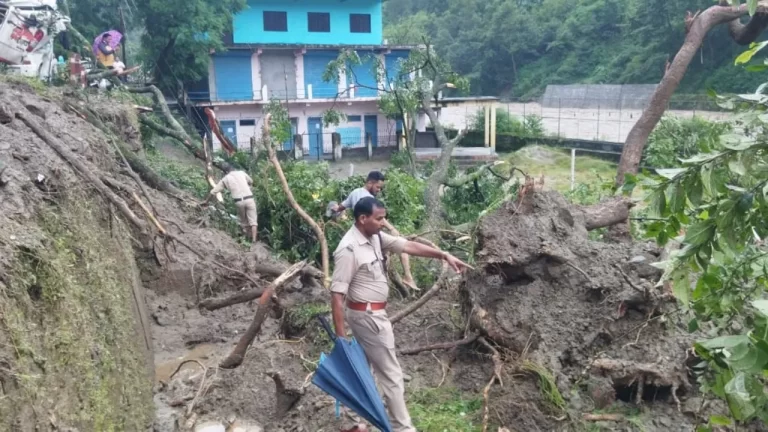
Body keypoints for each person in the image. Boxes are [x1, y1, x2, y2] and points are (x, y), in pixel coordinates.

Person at [330, 197, 472, 432]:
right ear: (362, 218)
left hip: (371, 315)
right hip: (368, 318)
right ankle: (402, 428)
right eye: (379, 218)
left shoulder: (374, 237)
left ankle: (355, 423)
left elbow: (407, 246)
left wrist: (444, 254)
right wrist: (341, 338)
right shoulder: (349, 249)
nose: (383, 223)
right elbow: (336, 295)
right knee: (392, 374)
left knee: (362, 369)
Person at [332, 171, 418, 290]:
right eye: (377, 187)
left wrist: (333, 208)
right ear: (369, 183)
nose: (379, 190)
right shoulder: (369, 199)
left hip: (358, 231)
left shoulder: (355, 192)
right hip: (370, 232)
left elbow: (340, 207)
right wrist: (392, 229)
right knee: (402, 246)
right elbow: (378, 218)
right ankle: (408, 277)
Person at [201, 168, 258, 243]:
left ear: (226, 172)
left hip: (239, 201)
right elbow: (251, 181)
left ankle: (245, 239)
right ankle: (254, 240)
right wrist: (249, 187)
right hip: (249, 199)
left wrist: (206, 201)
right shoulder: (241, 173)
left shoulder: (226, 178)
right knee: (253, 222)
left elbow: (213, 192)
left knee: (243, 222)